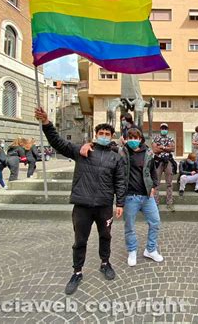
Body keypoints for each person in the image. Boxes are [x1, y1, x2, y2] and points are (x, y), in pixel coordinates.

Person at [35, 107, 126, 295]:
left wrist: (120, 203)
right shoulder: (82, 151)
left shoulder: (115, 157)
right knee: (79, 241)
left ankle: (105, 263)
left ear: (111, 136)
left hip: (104, 206)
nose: (103, 135)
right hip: (82, 205)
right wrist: (46, 123)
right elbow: (58, 143)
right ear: (95, 134)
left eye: (107, 134)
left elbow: (120, 181)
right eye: (100, 133)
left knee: (105, 236)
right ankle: (77, 272)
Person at [119, 128, 163, 267]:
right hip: (130, 196)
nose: (133, 140)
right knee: (130, 226)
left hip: (147, 196)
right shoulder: (122, 152)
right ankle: (132, 251)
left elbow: (152, 172)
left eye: (135, 137)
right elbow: (107, 146)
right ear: (125, 138)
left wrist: (154, 187)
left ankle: (150, 249)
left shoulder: (148, 152)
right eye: (130, 137)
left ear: (140, 139)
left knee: (155, 222)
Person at [152, 123, 176, 212]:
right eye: (162, 128)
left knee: (169, 183)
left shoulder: (170, 138)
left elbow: (173, 149)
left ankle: (169, 203)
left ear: (167, 129)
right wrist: (167, 148)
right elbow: (155, 150)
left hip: (168, 161)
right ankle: (155, 203)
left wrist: (161, 147)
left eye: (165, 128)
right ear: (160, 128)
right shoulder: (155, 138)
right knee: (156, 183)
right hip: (158, 161)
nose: (164, 129)